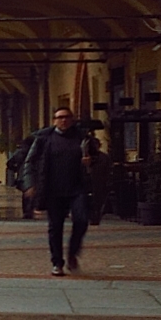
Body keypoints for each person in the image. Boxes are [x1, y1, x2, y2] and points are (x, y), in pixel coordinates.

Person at [25, 107, 99, 275]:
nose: (63, 120)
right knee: (55, 227)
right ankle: (57, 262)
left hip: (77, 187)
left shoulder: (82, 138)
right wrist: (30, 184)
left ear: (72, 119)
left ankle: (72, 253)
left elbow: (96, 158)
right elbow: (30, 161)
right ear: (54, 120)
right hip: (53, 189)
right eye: (60, 117)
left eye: (66, 117)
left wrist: (91, 161)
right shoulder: (44, 139)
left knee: (81, 220)